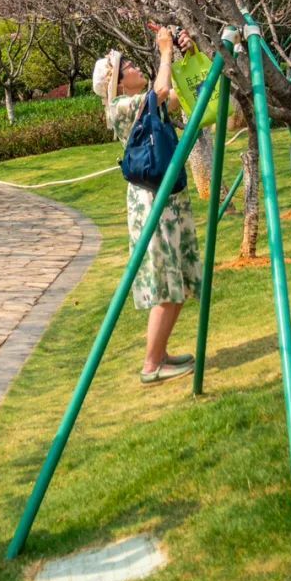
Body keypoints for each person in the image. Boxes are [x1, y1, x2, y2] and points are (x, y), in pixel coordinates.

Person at [107, 26, 203, 384]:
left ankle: (160, 354)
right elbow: (161, 92)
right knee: (165, 280)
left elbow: (184, 93)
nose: (134, 66)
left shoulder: (149, 104)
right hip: (151, 200)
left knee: (177, 278)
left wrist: (188, 54)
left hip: (169, 196)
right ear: (118, 84)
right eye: (127, 67)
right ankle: (151, 365)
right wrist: (164, 52)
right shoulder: (119, 108)